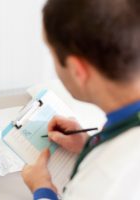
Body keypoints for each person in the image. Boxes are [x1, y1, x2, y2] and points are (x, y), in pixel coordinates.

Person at [21, 0, 140, 199]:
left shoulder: (105, 178)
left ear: (78, 70)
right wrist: (90, 144)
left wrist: (42, 188)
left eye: (52, 55)